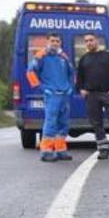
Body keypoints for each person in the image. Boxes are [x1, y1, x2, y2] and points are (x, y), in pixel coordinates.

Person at [26, 33, 74, 162]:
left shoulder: (63, 56)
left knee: (63, 124)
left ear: (60, 43)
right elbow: (30, 72)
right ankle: (46, 151)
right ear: (47, 41)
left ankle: (60, 150)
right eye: (52, 41)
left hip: (64, 95)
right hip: (52, 94)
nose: (55, 43)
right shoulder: (41, 55)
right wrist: (41, 88)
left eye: (57, 41)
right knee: (51, 122)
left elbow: (71, 73)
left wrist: (70, 86)